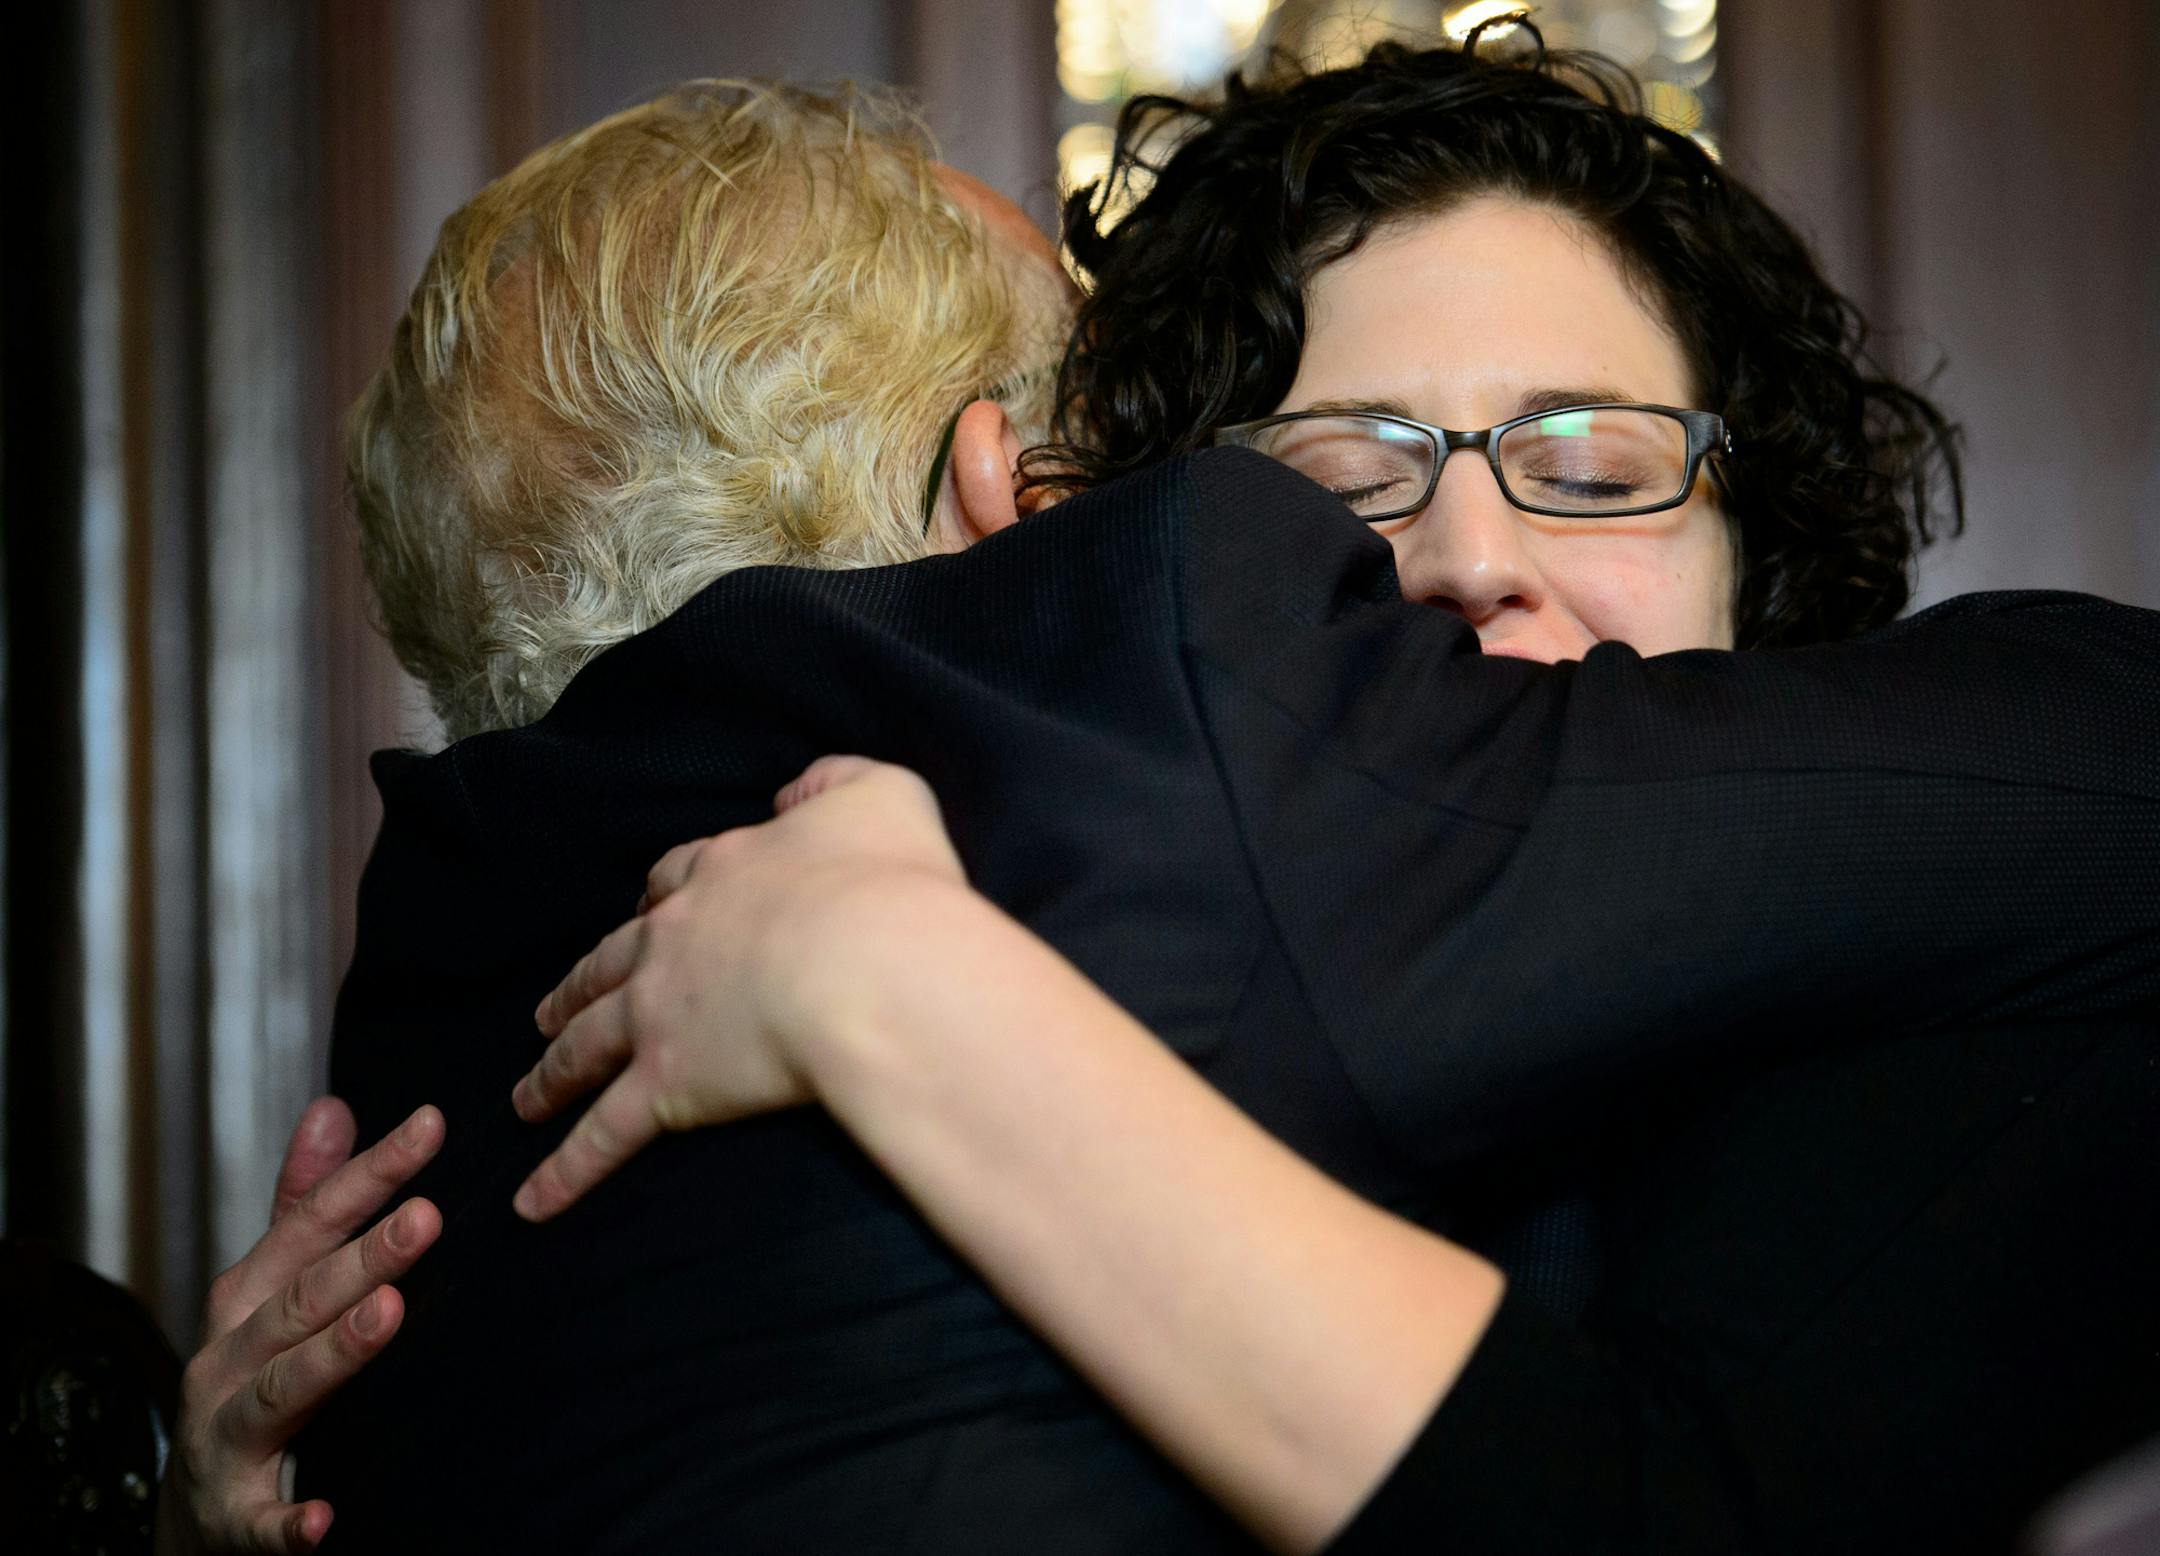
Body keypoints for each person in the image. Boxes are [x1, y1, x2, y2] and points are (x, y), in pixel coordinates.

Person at [162, 37, 2160, 1556]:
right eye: (1340, 479)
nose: (1468, 557)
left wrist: (912, 1001)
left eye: (1592, 457)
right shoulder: (1121, 804)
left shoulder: (1985, 1047)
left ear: (1767, 545)